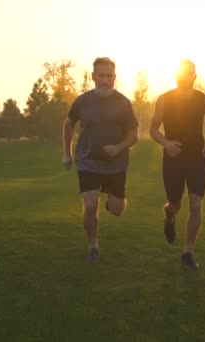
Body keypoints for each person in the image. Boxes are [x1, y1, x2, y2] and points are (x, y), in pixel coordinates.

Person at [62, 57, 138, 262]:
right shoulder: (82, 101)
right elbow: (69, 124)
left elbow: (134, 136)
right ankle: (93, 245)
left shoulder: (123, 103)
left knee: (117, 209)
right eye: (101, 76)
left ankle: (112, 199)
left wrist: (119, 147)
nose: (105, 80)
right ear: (93, 76)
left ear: (115, 77)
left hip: (116, 163)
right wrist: (67, 153)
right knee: (90, 203)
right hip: (87, 161)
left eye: (109, 76)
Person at [149, 59, 205, 269]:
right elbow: (152, 129)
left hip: (197, 157)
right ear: (176, 76)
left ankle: (188, 252)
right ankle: (169, 215)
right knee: (176, 204)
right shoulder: (164, 100)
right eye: (181, 73)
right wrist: (166, 143)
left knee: (196, 204)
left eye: (188, 73)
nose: (184, 76)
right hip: (173, 157)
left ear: (194, 76)